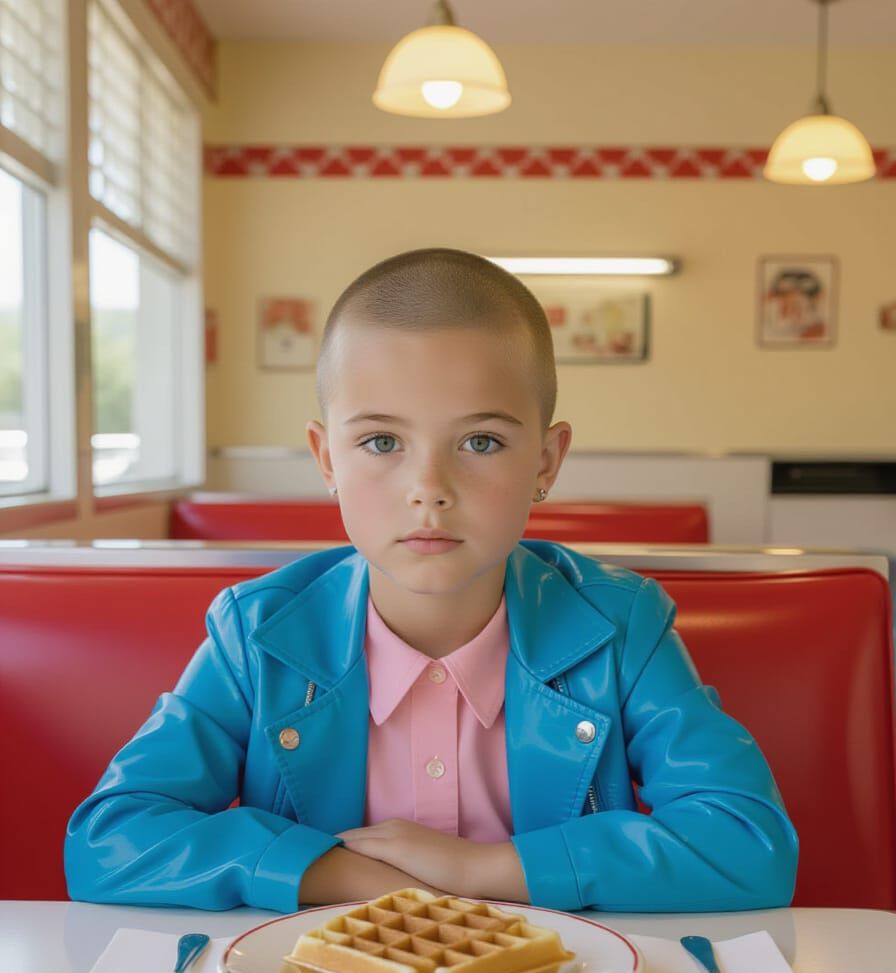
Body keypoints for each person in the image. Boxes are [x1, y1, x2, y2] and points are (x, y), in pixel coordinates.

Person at [65, 248, 798, 914]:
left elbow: (749, 844)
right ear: (327, 460)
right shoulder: (255, 633)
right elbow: (110, 838)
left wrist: (484, 870)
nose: (429, 488)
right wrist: (343, 876)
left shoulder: (621, 625)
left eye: (481, 441)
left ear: (545, 463)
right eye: (381, 441)